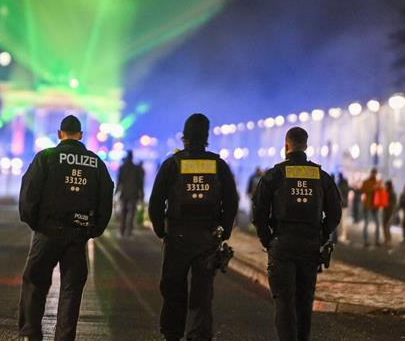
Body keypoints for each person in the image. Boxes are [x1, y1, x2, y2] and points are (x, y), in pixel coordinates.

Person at [18, 115, 114, 341]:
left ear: (60, 134)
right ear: (80, 135)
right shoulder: (96, 163)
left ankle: (30, 333)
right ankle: (64, 337)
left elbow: (29, 191)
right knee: (71, 290)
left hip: (47, 232)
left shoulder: (46, 157)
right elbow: (106, 197)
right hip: (78, 235)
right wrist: (93, 230)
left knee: (35, 281)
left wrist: (35, 223)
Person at [148, 113, 239, 341]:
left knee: (173, 288)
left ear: (184, 136)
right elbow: (231, 200)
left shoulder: (172, 164)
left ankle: (172, 334)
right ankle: (198, 334)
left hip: (177, 236)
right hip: (208, 237)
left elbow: (156, 201)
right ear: (206, 136)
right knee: (202, 292)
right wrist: (224, 230)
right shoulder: (218, 165)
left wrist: (161, 230)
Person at [252, 127, 341, 341]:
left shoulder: (274, 174)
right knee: (304, 302)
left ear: (286, 146)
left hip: (282, 244)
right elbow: (335, 212)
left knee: (284, 302)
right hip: (310, 246)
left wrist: (268, 240)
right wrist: (321, 235)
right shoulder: (321, 176)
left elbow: (259, 210)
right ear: (306, 146)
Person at [115, 150, 144, 237]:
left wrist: (116, 192)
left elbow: (119, 181)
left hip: (124, 193)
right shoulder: (136, 169)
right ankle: (129, 232)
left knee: (123, 212)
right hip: (134, 194)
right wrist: (142, 194)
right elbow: (140, 183)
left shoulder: (122, 168)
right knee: (132, 213)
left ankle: (122, 231)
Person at [360, 168, 381, 247]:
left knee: (377, 224)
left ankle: (377, 241)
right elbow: (363, 190)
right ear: (371, 173)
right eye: (373, 173)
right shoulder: (366, 181)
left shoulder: (378, 182)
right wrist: (373, 188)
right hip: (368, 205)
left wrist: (380, 187)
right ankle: (365, 241)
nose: (374, 175)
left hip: (376, 206)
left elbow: (380, 192)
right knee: (366, 223)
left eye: (375, 173)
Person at [334, 172, 351, 243]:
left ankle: (342, 236)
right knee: (344, 221)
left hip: (340, 204)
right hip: (345, 205)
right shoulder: (346, 186)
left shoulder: (339, 185)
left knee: (340, 221)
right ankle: (343, 235)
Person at [381, 180, 397, 246]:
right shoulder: (386, 191)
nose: (385, 186)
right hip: (385, 211)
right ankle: (386, 239)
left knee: (387, 226)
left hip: (390, 211)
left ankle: (388, 240)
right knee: (384, 225)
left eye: (386, 185)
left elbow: (394, 203)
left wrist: (388, 204)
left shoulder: (392, 192)